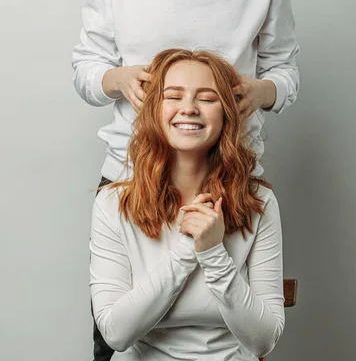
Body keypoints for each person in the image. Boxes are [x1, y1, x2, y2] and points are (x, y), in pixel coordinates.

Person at [72, 0, 299, 360]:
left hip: (231, 178)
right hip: (133, 182)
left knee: (236, 321)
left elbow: (286, 72)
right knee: (123, 331)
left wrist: (258, 92)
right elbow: (86, 67)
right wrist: (116, 79)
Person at [91, 49, 284, 360]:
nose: (189, 109)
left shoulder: (259, 202)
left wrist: (213, 254)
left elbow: (264, 341)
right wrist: (185, 253)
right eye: (174, 96)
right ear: (153, 109)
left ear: (227, 113)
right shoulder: (112, 204)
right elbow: (115, 334)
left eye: (207, 99)